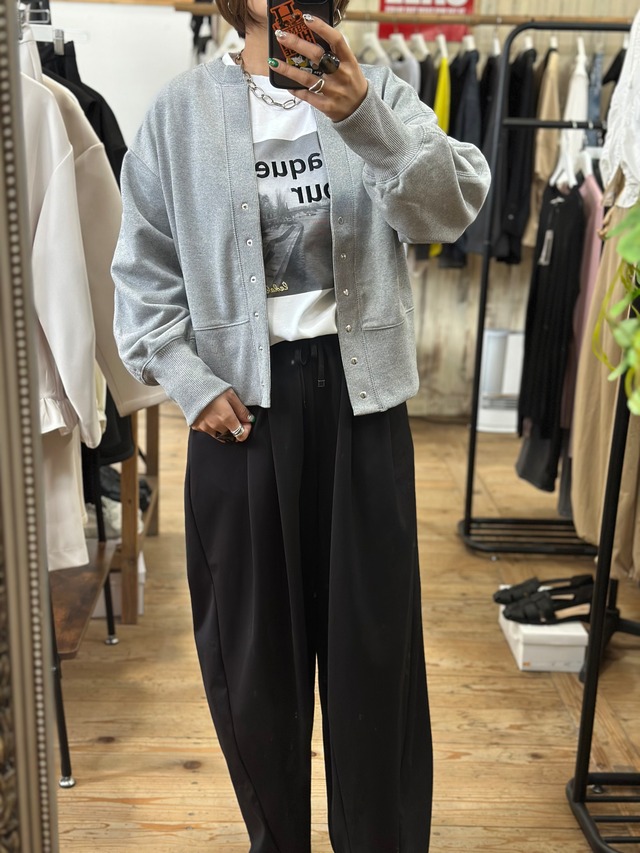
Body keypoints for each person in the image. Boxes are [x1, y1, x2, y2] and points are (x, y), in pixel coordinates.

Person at [111, 0, 490, 848]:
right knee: (254, 673)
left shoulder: (378, 88)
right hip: (239, 419)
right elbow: (141, 273)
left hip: (363, 413)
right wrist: (188, 379)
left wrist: (364, 118)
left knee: (374, 668)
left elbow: (451, 207)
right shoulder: (179, 113)